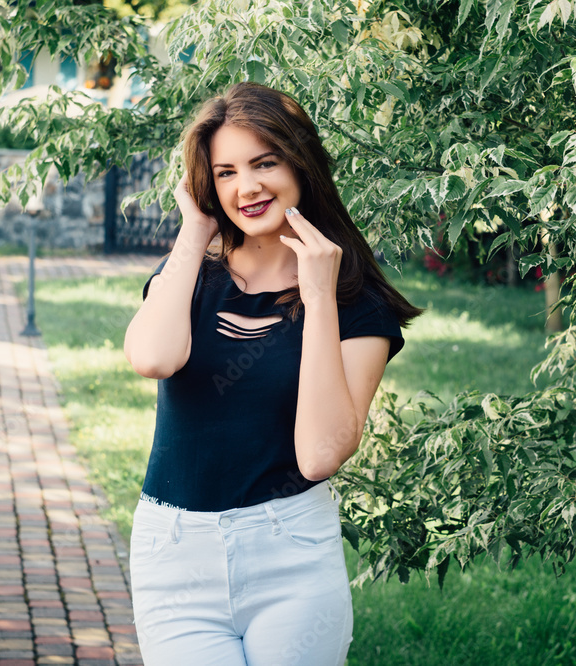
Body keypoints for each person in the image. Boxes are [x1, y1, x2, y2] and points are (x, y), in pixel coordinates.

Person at [122, 81, 422, 665]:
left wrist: (318, 296)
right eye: (226, 171)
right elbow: (153, 359)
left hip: (291, 554)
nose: (247, 187)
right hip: (174, 553)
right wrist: (193, 231)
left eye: (264, 163)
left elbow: (320, 454)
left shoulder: (358, 304)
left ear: (301, 164)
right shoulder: (189, 273)